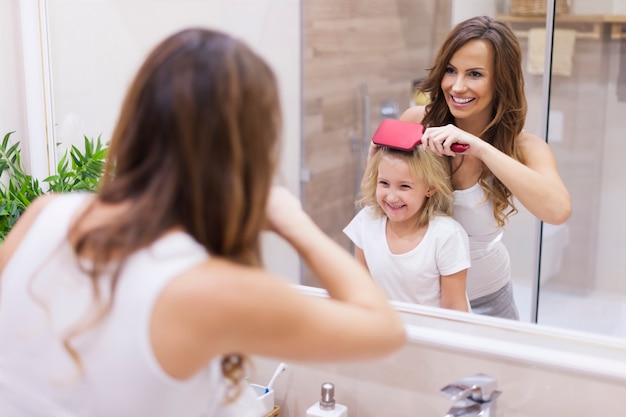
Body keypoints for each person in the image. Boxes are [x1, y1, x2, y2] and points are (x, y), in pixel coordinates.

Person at [0, 28, 406, 417]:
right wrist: (293, 223)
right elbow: (384, 329)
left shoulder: (44, 214)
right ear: (246, 154)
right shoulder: (205, 288)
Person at [399, 16, 572, 319]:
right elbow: (380, 203)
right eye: (450, 70)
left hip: (488, 302)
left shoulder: (523, 147)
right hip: (419, 297)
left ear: (500, 81)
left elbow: (557, 211)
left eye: (475, 74)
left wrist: (479, 148)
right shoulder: (416, 122)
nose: (458, 85)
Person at [344, 136, 471, 312]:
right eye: (384, 183)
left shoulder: (446, 236)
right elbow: (362, 288)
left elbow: (455, 309)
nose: (391, 197)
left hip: (433, 335)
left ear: (430, 188)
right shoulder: (367, 221)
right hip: (387, 330)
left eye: (404, 186)